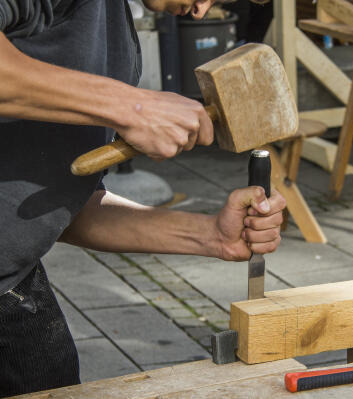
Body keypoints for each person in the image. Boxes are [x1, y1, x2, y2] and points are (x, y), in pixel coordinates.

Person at [0, 0, 283, 396]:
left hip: (13, 283)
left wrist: (210, 235)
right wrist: (130, 106)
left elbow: (56, 208)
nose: (202, 11)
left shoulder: (116, 41)